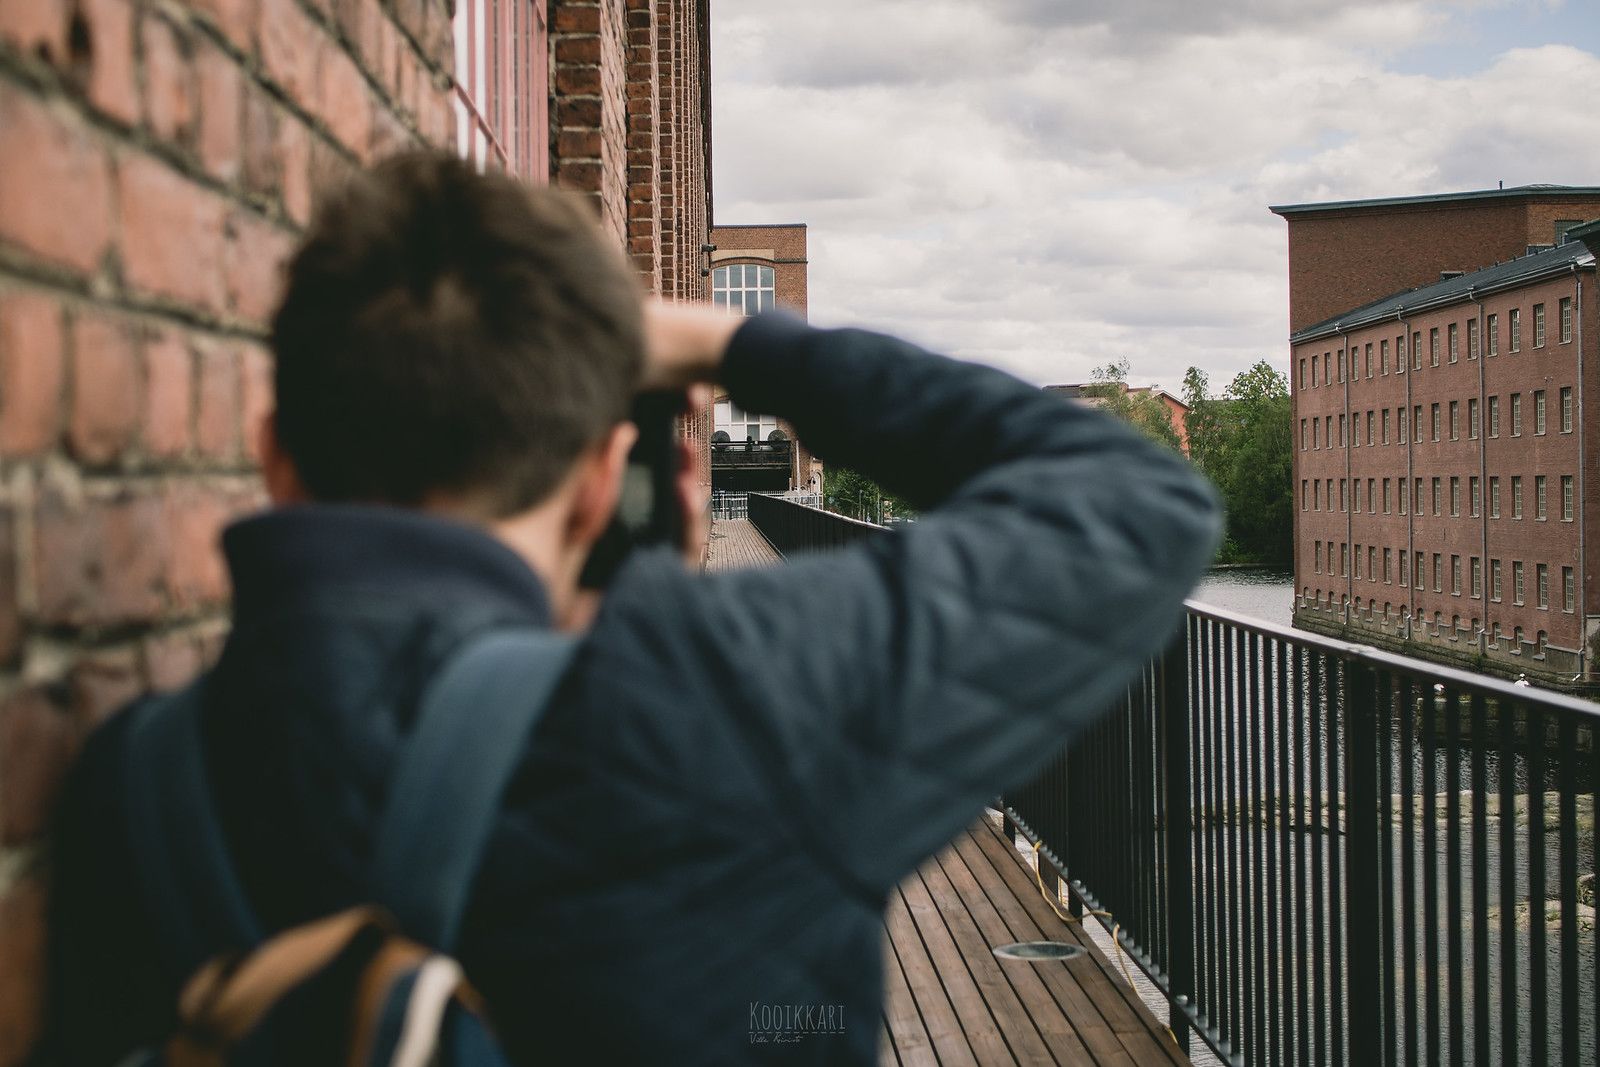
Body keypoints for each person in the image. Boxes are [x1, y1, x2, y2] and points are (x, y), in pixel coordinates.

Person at [47, 152, 1220, 1065]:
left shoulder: (137, 781)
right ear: (605, 475)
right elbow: (1134, 500)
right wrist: (733, 340)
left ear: (273, 455)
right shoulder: (729, 691)